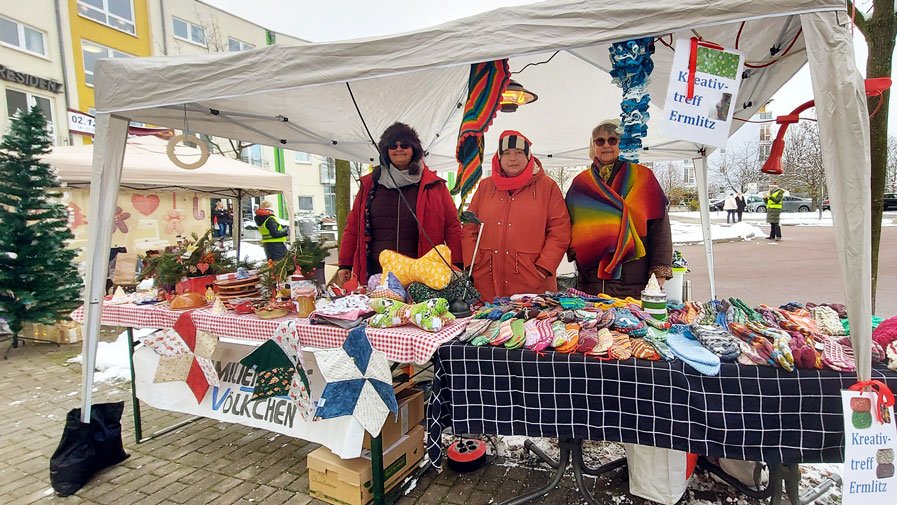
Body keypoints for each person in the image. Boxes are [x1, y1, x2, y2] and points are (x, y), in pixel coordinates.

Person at [337, 122, 463, 285]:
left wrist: (458, 264)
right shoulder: (370, 185)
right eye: (392, 145)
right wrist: (345, 263)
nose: (399, 149)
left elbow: (452, 227)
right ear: (385, 150)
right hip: (378, 273)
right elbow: (353, 226)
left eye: (405, 145)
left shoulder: (434, 185)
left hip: (422, 274)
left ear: (414, 150)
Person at [565, 119, 672, 298]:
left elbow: (660, 228)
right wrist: (576, 248)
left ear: (621, 143)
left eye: (612, 140)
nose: (606, 145)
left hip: (633, 280)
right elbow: (567, 222)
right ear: (593, 146)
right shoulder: (581, 183)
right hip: (592, 281)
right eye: (600, 141)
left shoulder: (642, 177)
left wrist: (659, 271)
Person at [461, 131, 571, 300]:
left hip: (533, 284)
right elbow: (469, 226)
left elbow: (560, 231)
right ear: (499, 157)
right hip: (486, 282)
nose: (512, 158)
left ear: (528, 156)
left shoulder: (547, 187)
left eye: (518, 152)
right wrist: (473, 264)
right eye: (506, 153)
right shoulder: (485, 186)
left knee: (528, 325)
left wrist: (543, 268)